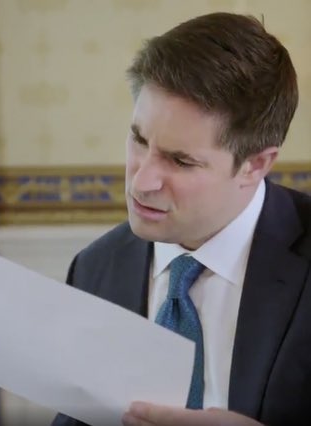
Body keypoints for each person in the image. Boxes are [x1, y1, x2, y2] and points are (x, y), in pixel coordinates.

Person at [52, 12, 311, 426]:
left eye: (180, 160)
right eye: (139, 139)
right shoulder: (94, 269)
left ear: (255, 164)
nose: (142, 180)